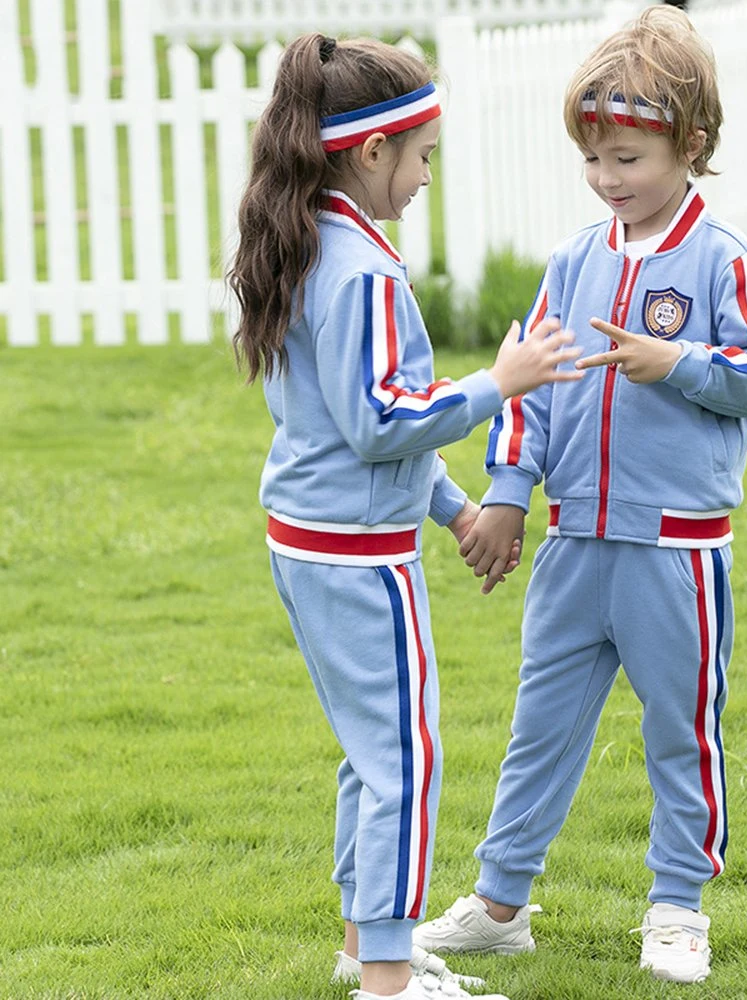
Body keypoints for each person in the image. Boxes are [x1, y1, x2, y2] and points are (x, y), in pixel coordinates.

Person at [413, 5, 747, 985]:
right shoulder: (572, 264)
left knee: (680, 728)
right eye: (593, 159)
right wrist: (504, 491)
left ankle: (676, 905)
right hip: (573, 543)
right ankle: (500, 902)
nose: (607, 178)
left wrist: (680, 363)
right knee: (539, 728)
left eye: (625, 158)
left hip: (675, 549)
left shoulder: (725, 260)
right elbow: (525, 385)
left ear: (690, 144)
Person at [229, 33, 581, 1000]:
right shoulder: (365, 273)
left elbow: (346, 427)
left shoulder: (315, 243)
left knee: (374, 751)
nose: (428, 174)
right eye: (422, 154)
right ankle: (387, 978)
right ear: (371, 150)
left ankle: (365, 942)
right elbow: (384, 422)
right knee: (406, 763)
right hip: (355, 559)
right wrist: (496, 383)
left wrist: (458, 507)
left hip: (315, 543)